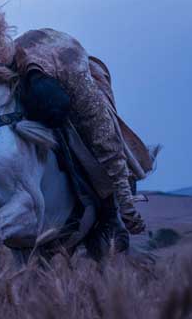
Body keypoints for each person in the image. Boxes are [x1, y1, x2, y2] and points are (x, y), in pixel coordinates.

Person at [15, 28, 158, 236]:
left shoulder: (79, 86)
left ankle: (110, 213)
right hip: (32, 58)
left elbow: (111, 151)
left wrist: (128, 210)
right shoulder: (13, 68)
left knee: (98, 142)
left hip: (66, 59)